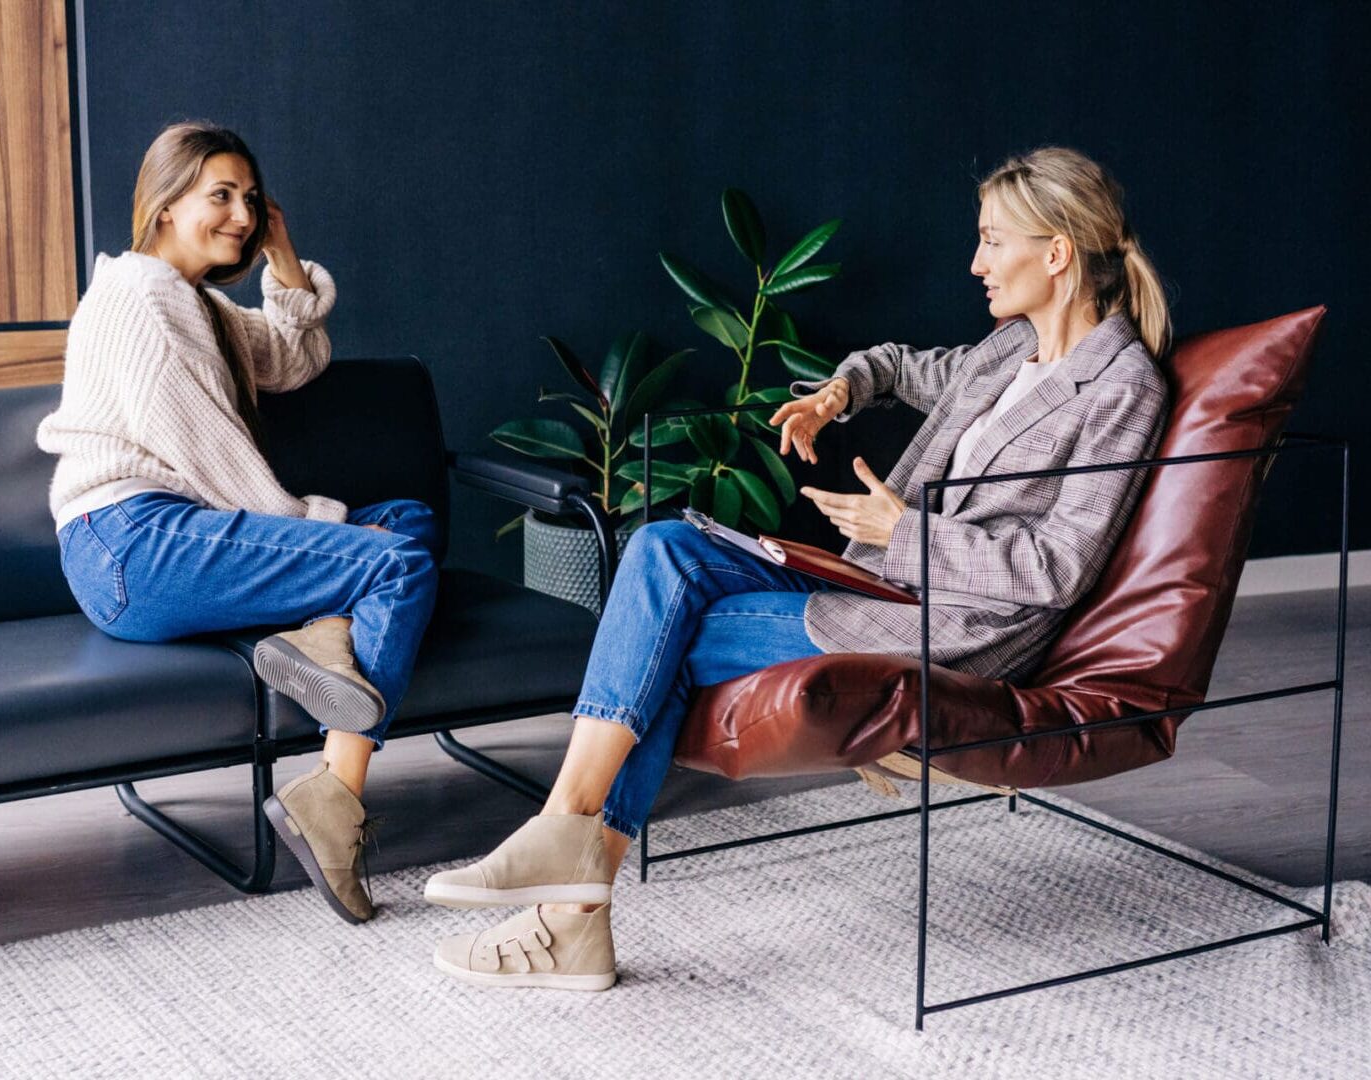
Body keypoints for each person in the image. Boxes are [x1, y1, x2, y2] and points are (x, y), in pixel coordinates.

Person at [424, 146, 1170, 990]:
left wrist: (904, 530)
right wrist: (834, 395)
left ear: (1057, 251)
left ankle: (569, 884)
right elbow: (893, 364)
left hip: (959, 625)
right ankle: (570, 868)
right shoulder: (1009, 354)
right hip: (882, 587)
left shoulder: (1120, 388)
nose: (976, 264)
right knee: (661, 547)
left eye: (993, 242)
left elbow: (1060, 567)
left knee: (665, 634)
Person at [37, 121, 438, 926]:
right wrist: (321, 526)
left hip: (159, 538)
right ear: (162, 205)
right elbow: (216, 458)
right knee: (394, 561)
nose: (242, 216)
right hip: (130, 544)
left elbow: (292, 360)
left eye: (251, 199)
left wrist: (283, 257)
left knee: (406, 519)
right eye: (219, 196)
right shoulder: (142, 300)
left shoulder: (198, 303)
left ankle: (322, 646)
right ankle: (338, 799)